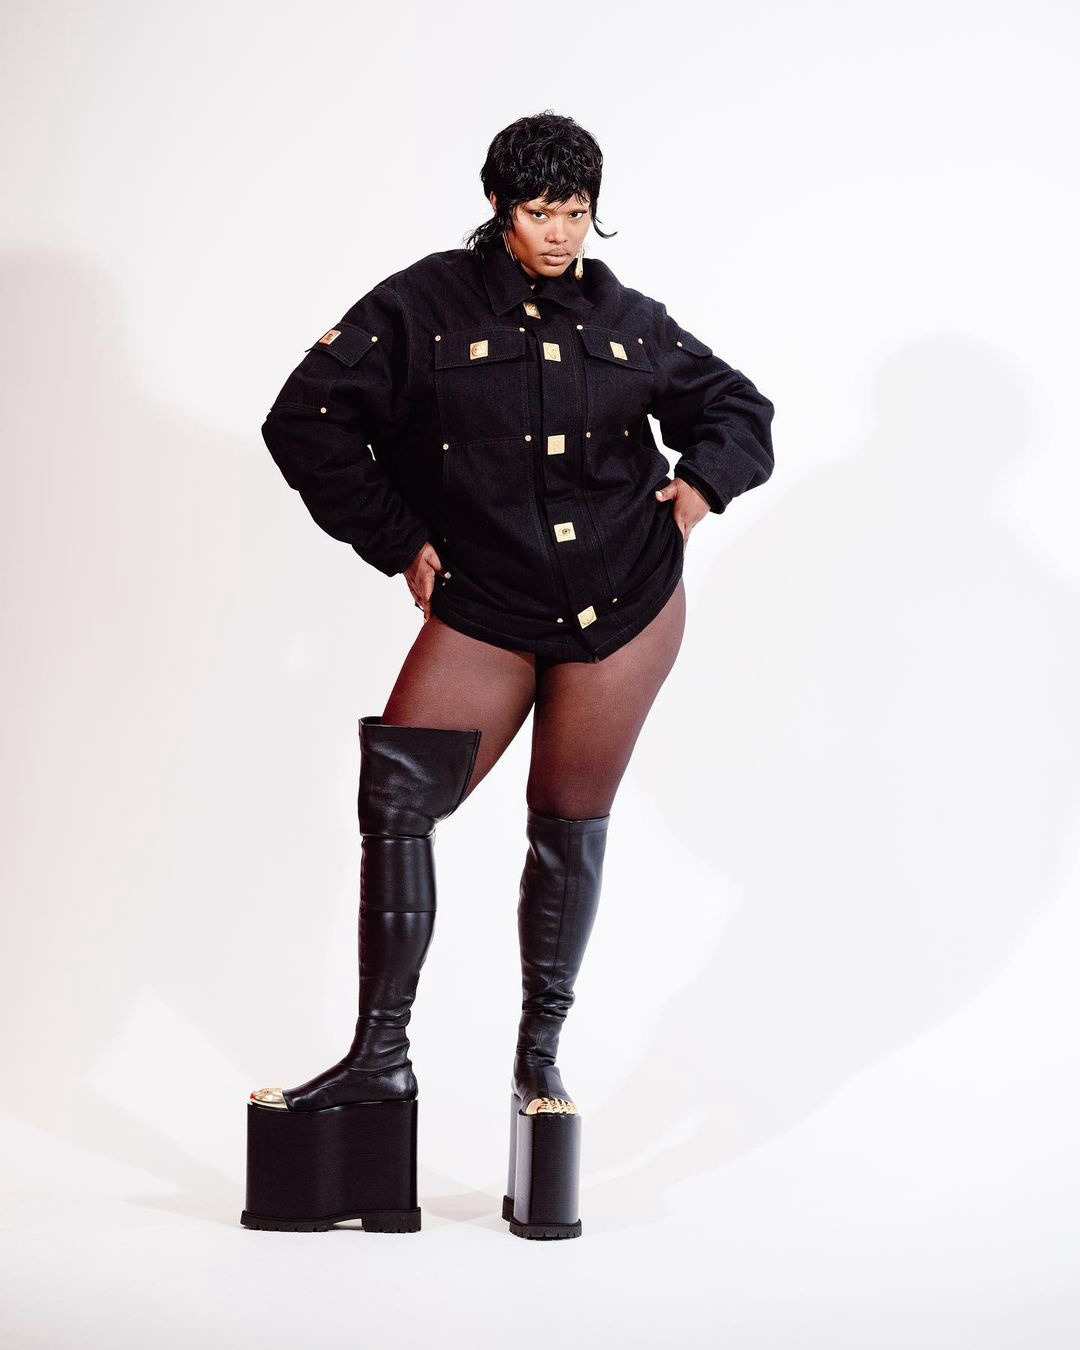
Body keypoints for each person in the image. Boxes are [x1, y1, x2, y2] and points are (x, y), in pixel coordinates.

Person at [240, 111, 775, 1240]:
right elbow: (306, 420)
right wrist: (398, 538)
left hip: (623, 603)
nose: (560, 233)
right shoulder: (422, 305)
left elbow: (739, 407)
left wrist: (701, 486)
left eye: (577, 212)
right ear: (498, 206)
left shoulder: (630, 320)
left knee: (565, 821)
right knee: (398, 798)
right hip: (488, 604)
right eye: (539, 212)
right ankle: (378, 1062)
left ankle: (540, 1067)